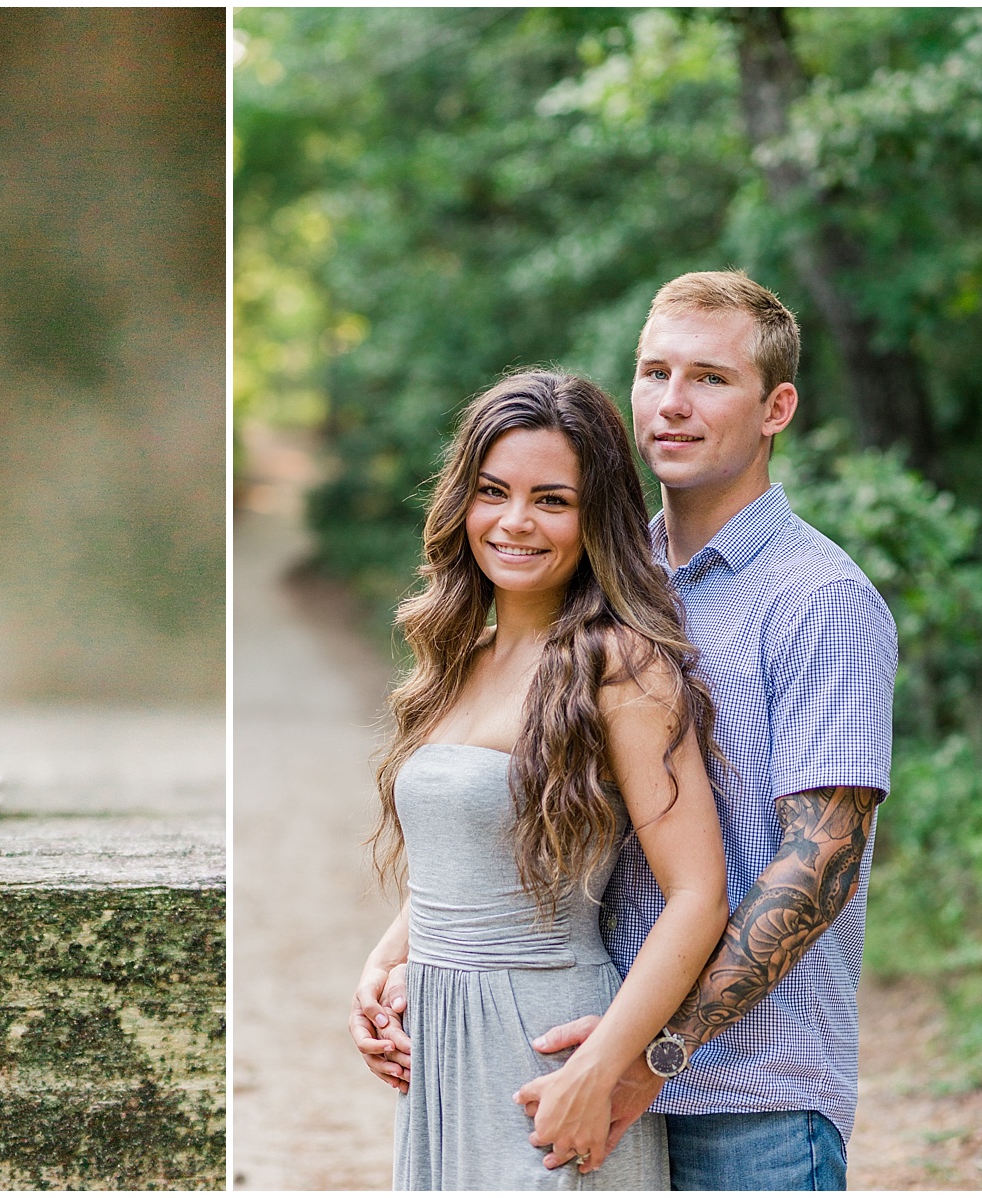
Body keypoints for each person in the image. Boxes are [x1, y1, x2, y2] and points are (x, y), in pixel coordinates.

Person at [353, 271, 898, 1191]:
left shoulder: (820, 600)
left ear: (778, 407)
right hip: (580, 1051)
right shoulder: (606, 582)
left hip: (745, 1095)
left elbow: (820, 869)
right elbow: (520, 807)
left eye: (711, 378)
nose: (674, 403)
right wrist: (407, 956)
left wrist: (648, 1057)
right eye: (655, 372)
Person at [360, 369, 732, 1189]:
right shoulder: (461, 659)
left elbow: (699, 891)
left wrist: (602, 1066)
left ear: (595, 515)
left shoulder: (622, 666)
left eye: (552, 500)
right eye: (493, 492)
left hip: (547, 1045)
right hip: (441, 1056)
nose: (515, 522)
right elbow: (469, 854)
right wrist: (385, 964)